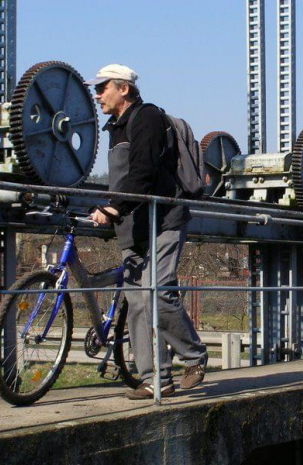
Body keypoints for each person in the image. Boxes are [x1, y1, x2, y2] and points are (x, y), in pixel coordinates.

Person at [85, 64, 208, 400]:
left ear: (123, 88)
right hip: (133, 227)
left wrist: (113, 208)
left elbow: (143, 171)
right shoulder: (115, 128)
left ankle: (195, 355)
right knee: (137, 302)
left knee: (158, 291)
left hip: (163, 220)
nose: (97, 95)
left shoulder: (148, 117)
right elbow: (122, 180)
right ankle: (156, 378)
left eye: (102, 87)